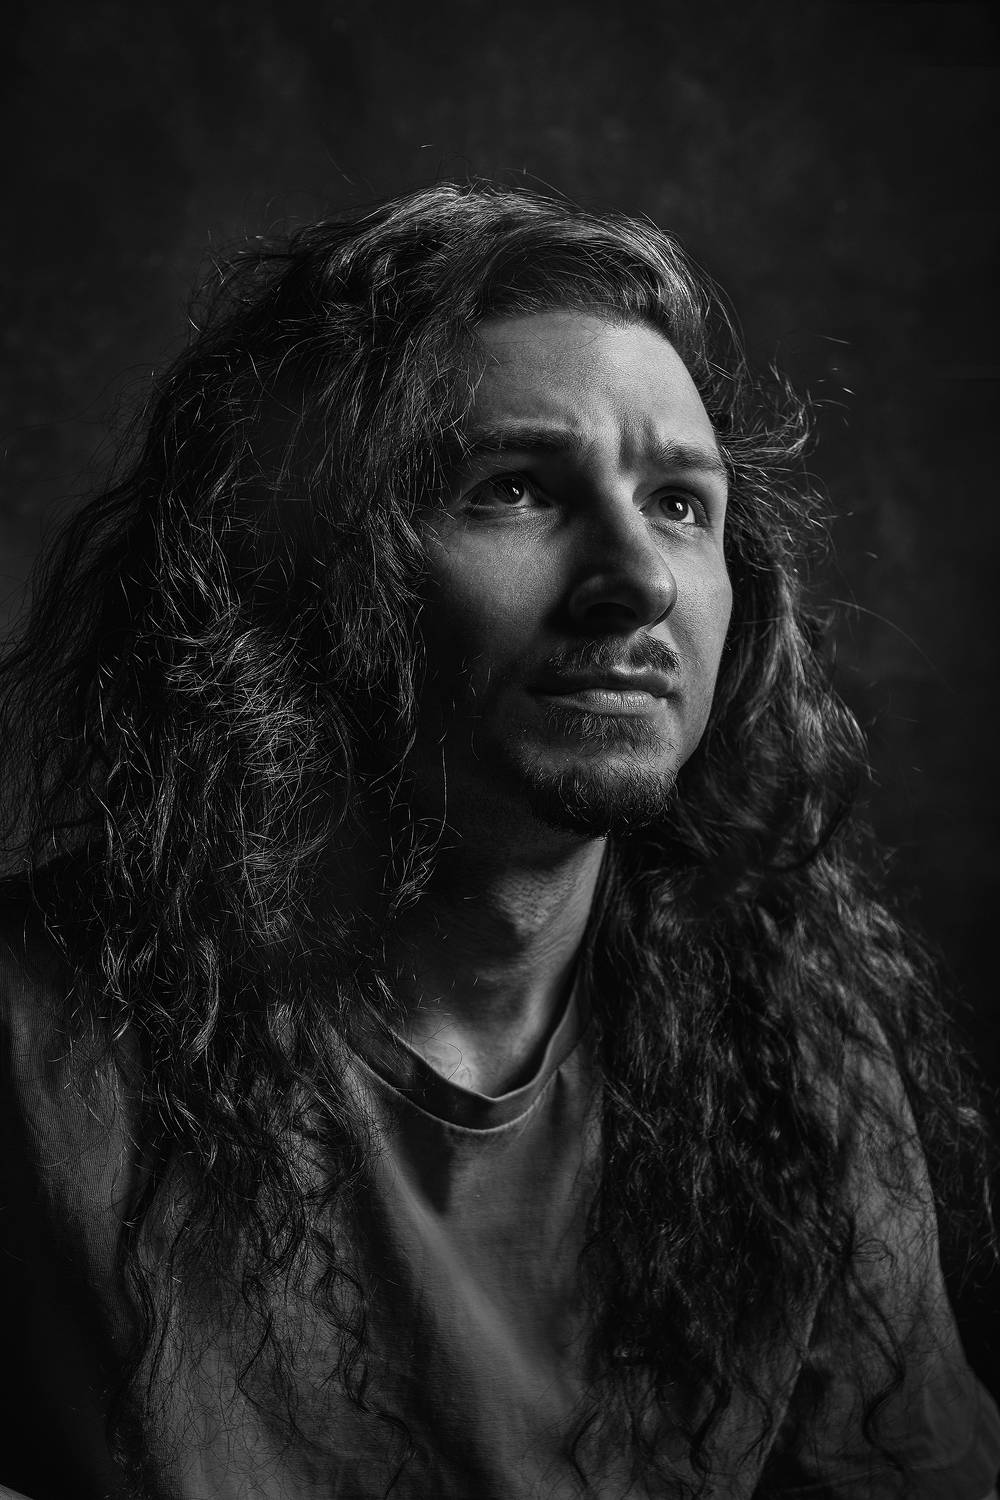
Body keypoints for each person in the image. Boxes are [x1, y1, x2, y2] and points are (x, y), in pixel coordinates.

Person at [0, 182, 997, 1500]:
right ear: (306, 570)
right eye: (516, 488)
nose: (639, 579)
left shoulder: (794, 1058)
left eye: (681, 504)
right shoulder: (34, 1041)